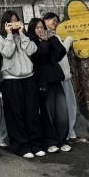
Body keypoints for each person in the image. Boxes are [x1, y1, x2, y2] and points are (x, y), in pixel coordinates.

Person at [0, 10, 43, 159]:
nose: (14, 23)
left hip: (28, 77)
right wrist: (9, 35)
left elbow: (32, 50)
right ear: (5, 23)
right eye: (10, 21)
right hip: (11, 80)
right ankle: (21, 146)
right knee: (16, 115)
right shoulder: (0, 38)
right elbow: (7, 53)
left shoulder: (24, 36)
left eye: (16, 20)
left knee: (32, 113)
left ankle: (35, 145)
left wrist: (22, 34)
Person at [27, 18, 72, 153]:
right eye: (37, 28)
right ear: (32, 29)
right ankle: (50, 142)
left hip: (55, 79)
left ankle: (62, 140)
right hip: (42, 81)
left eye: (41, 27)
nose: (40, 30)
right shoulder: (31, 42)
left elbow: (60, 53)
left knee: (62, 111)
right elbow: (40, 57)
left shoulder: (49, 38)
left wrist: (52, 39)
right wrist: (45, 42)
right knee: (48, 112)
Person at [43, 12, 78, 139]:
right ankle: (66, 132)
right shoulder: (47, 36)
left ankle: (69, 131)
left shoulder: (55, 35)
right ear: (45, 20)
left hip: (64, 75)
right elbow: (61, 52)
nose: (55, 22)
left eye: (56, 21)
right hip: (58, 77)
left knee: (70, 105)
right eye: (52, 20)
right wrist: (69, 40)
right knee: (64, 107)